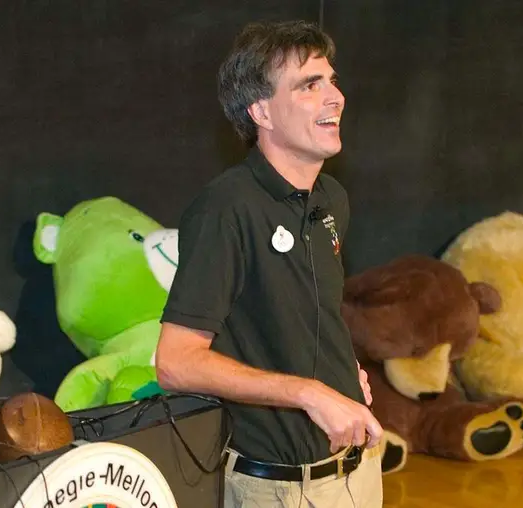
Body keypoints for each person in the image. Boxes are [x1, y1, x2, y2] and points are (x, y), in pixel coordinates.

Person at [155, 20, 384, 508]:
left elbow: (297, 314)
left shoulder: (332, 199)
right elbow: (175, 363)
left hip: (359, 472)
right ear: (261, 111)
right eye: (309, 84)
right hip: (279, 488)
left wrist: (343, 372)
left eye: (332, 80)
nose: (335, 96)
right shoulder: (225, 208)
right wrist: (309, 393)